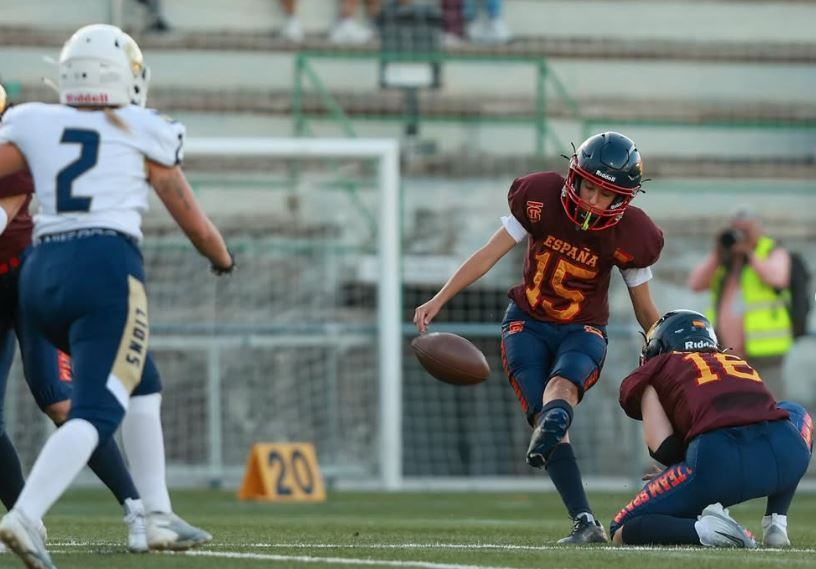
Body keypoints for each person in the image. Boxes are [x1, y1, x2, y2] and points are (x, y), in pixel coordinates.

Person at [0, 24, 234, 569]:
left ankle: (155, 515)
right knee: (98, 405)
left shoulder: (33, 119)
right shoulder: (146, 128)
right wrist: (222, 259)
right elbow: (193, 221)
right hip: (103, 268)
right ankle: (26, 514)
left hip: (38, 273)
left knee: (141, 379)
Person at [414, 131, 663, 543]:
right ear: (574, 176)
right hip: (526, 323)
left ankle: (567, 460)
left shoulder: (631, 234)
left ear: (625, 199)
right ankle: (585, 521)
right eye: (590, 187)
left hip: (582, 328)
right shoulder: (540, 198)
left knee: (560, 390)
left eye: (608, 195)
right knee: (546, 416)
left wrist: (660, 346)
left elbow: (644, 307)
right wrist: (441, 297)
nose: (595, 202)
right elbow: (488, 255)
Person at [0, 86, 147, 554]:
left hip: (27, 282)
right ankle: (24, 517)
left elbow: (1, 217)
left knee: (59, 399)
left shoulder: (12, 151)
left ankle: (138, 507)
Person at [611, 309, 812, 548]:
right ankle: (776, 523)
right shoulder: (733, 361)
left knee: (620, 529)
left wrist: (679, 472)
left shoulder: (655, 370)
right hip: (785, 455)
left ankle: (706, 531)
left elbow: (664, 448)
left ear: (657, 347)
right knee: (795, 412)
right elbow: (770, 413)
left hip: (718, 465)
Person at [687, 205, 792, 400]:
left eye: (745, 230)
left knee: (771, 405)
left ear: (757, 229)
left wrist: (750, 254)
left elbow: (777, 278)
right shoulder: (725, 260)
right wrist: (718, 254)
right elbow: (695, 283)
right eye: (736, 230)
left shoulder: (771, 251)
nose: (740, 236)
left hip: (765, 350)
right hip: (727, 353)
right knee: (734, 408)